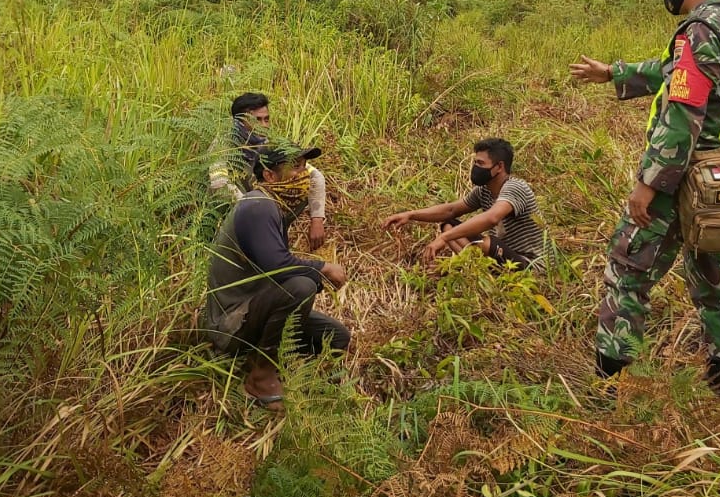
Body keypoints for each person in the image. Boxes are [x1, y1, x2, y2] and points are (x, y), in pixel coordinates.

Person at [569, 0, 720, 398]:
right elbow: (682, 72)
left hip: (683, 181)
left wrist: (647, 186)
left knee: (627, 271)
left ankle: (609, 391)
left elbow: (682, 115)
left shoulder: (697, 28)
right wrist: (614, 72)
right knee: (716, 281)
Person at [203, 140, 351, 409]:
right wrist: (323, 268)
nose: (304, 174)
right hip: (231, 322)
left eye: (305, 166)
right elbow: (277, 266)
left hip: (253, 309)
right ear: (269, 175)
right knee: (300, 286)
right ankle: (260, 376)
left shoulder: (273, 205)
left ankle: (268, 363)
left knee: (336, 337)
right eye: (295, 167)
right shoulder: (258, 205)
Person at [381, 138, 547, 271]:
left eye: (481, 163)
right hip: (502, 257)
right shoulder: (485, 190)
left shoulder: (516, 187)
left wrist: (443, 239)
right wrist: (410, 215)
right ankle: (476, 270)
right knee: (449, 225)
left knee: (487, 242)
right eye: (475, 163)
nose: (475, 168)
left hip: (530, 264)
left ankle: (478, 270)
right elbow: (451, 210)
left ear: (499, 167)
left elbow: (492, 217)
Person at [209, 92, 328, 250]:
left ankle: (273, 238)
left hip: (259, 207)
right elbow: (219, 185)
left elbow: (314, 176)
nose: (264, 125)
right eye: (257, 120)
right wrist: (254, 211)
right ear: (239, 122)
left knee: (299, 180)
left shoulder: (268, 143)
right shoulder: (223, 145)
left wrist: (317, 220)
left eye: (266, 119)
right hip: (229, 213)